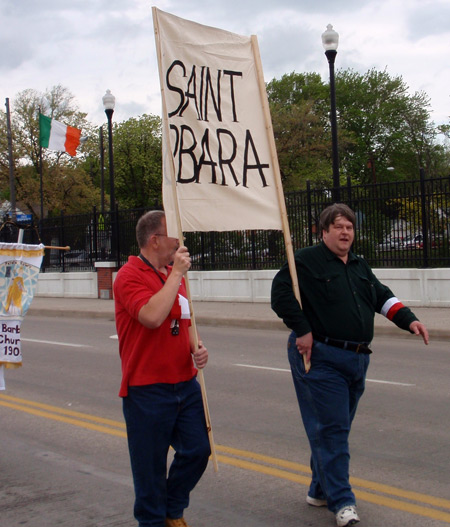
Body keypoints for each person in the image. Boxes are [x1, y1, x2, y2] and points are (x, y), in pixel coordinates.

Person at [271, 203, 429, 527]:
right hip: (321, 357)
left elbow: (382, 296)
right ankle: (343, 503)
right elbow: (280, 294)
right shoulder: (305, 260)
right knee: (334, 430)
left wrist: (409, 320)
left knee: (335, 429)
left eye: (350, 228)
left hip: (356, 359)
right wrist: (302, 330)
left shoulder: (358, 264)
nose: (345, 233)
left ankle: (319, 488)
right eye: (339, 227)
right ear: (323, 230)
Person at [114, 210, 211, 527]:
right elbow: (152, 317)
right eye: (173, 235)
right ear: (154, 240)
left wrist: (196, 346)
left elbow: (184, 319)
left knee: (198, 450)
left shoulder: (173, 275)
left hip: (184, 383)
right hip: (147, 389)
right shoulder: (129, 276)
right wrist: (175, 277)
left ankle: (172, 508)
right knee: (150, 471)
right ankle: (155, 519)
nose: (179, 242)